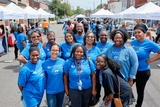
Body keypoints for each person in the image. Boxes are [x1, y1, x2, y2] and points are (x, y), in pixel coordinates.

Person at [131, 24, 160, 107]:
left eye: (138, 32)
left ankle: (138, 105)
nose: (136, 34)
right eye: (135, 32)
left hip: (143, 71)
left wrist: (150, 60)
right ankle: (129, 100)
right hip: (132, 70)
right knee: (126, 86)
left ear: (144, 33)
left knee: (140, 90)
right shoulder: (133, 42)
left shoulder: (149, 43)